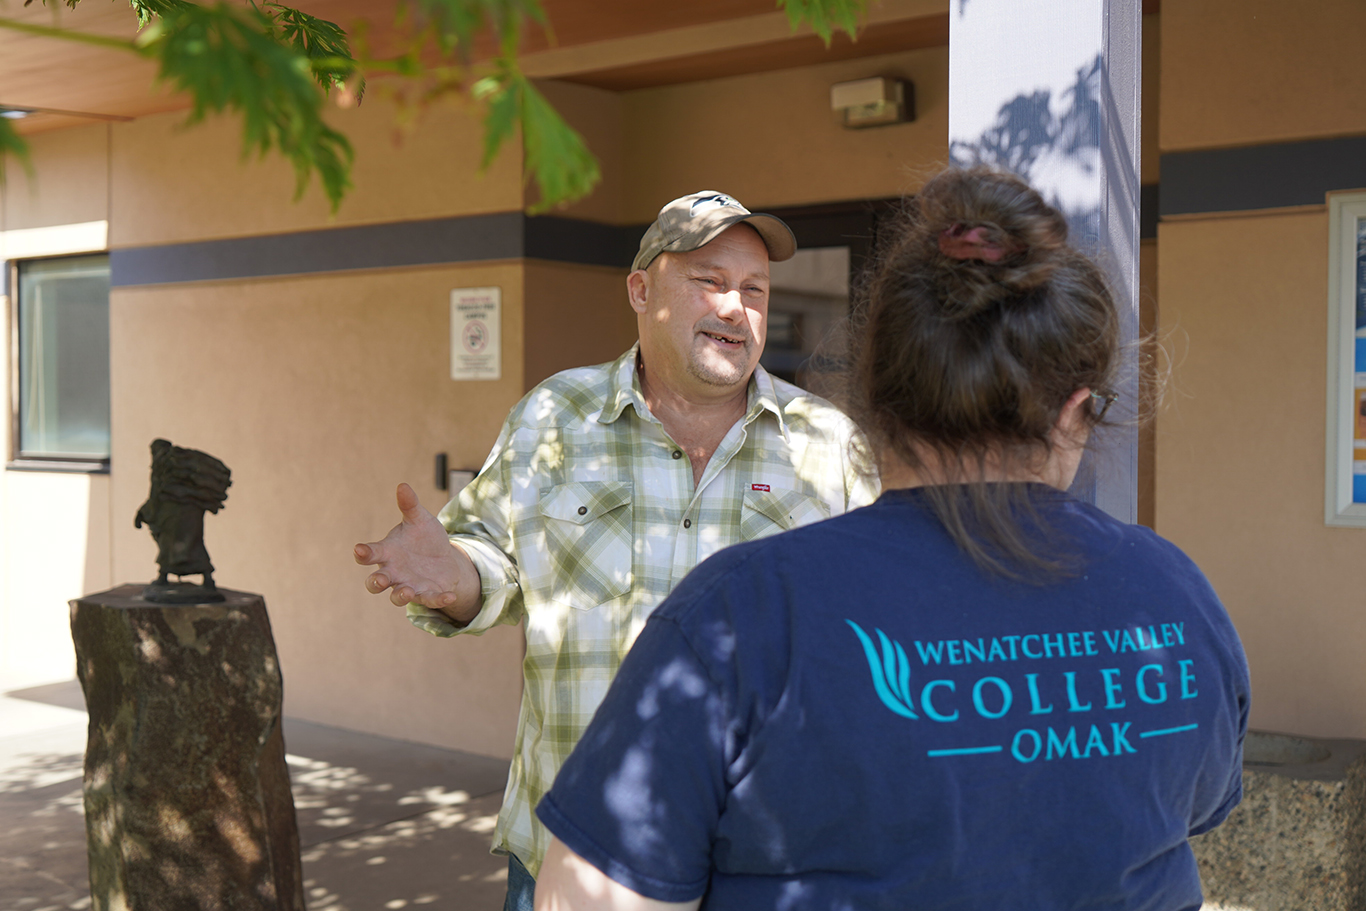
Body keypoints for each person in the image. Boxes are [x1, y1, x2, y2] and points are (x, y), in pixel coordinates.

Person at [532, 167, 1251, 911]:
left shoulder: (740, 617)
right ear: (1076, 410)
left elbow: (587, 901)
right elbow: (1181, 808)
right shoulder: (1174, 593)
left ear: (875, 393)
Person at [354, 190, 877, 908]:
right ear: (640, 289)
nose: (735, 308)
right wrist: (458, 576)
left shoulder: (828, 444)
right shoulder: (553, 417)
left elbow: (872, 626)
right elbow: (494, 565)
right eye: (709, 281)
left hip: (766, 861)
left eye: (754, 291)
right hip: (577, 853)